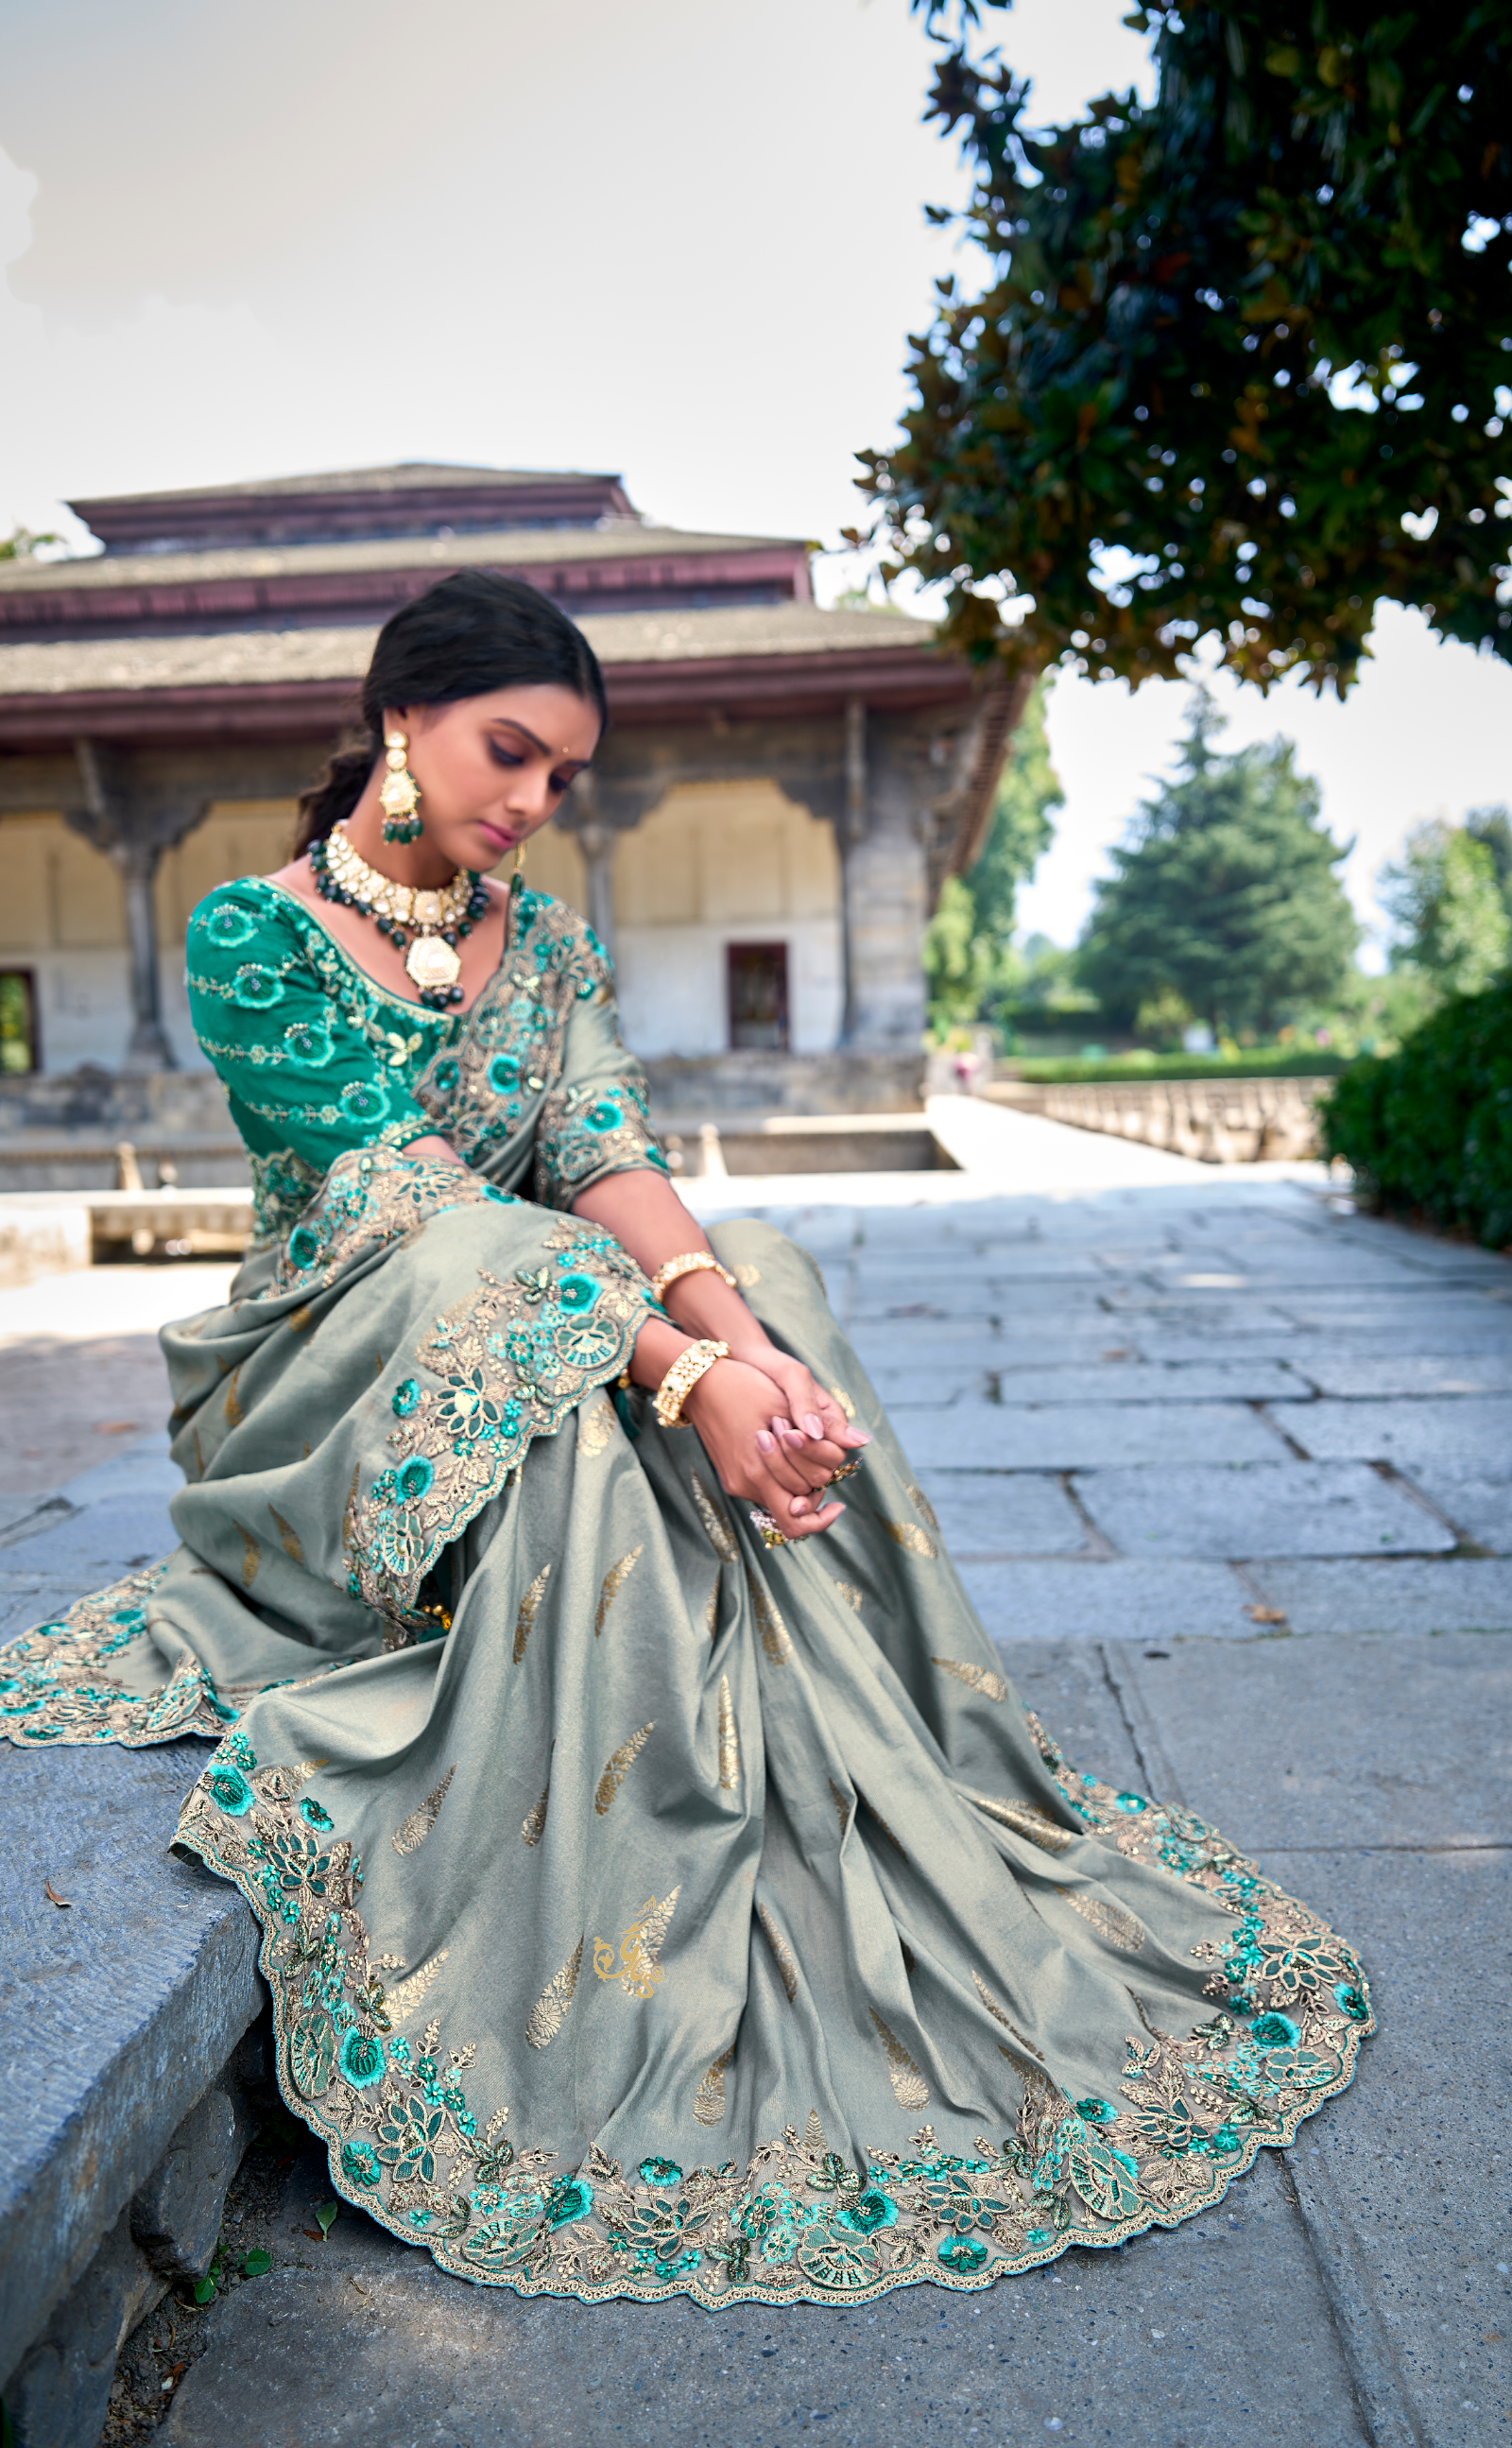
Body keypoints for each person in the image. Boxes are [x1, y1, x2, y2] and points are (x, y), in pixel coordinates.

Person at [0, 574, 1372, 2308]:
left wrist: (745, 1348)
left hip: (551, 1301)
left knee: (767, 1270)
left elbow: (604, 1152)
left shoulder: (546, 941)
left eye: (567, 775)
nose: (535, 801)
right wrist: (672, 1372)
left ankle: (826, 1734)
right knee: (538, 1287)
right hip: (346, 1352)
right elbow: (392, 1197)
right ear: (401, 719)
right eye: (514, 753)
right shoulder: (249, 934)